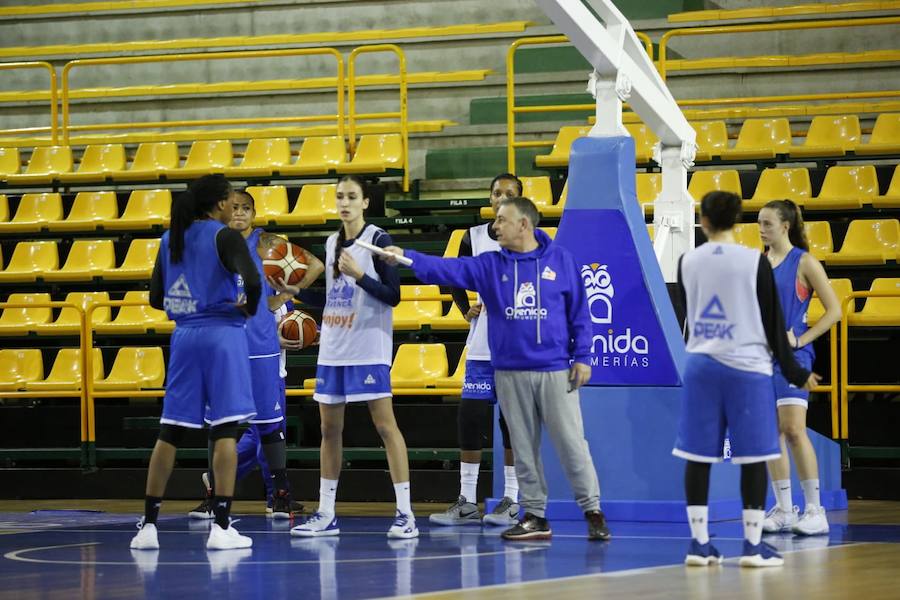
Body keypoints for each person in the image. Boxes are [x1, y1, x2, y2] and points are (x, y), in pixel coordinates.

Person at [382, 196, 610, 542]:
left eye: (502, 219)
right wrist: (405, 257)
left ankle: (593, 511)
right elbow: (447, 270)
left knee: (571, 444)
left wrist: (584, 357)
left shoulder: (561, 261)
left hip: (554, 371)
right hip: (509, 373)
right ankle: (535, 515)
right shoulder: (490, 265)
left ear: (524, 224)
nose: (495, 225)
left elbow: (580, 314)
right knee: (523, 448)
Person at [673, 191, 821, 568]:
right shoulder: (753, 261)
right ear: (738, 220)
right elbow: (774, 326)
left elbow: (690, 312)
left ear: (702, 221)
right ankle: (752, 546)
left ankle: (699, 543)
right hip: (747, 367)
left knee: (698, 455)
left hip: (702, 365)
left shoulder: (686, 260)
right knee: (754, 454)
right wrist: (796, 372)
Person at [130, 175, 261, 551]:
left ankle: (149, 526)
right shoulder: (225, 236)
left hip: (184, 337)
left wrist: (188, 302)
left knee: (170, 431)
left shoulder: (171, 237)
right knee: (224, 430)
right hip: (223, 336)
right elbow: (252, 280)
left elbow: (156, 297)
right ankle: (221, 526)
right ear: (220, 204)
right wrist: (248, 309)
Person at [289, 175, 418, 539]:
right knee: (329, 430)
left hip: (368, 346)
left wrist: (361, 275)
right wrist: (296, 292)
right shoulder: (331, 243)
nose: (344, 202)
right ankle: (326, 512)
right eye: (339, 196)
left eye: (351, 197)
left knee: (385, 426)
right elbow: (332, 297)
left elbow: (393, 295)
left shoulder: (379, 240)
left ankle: (406, 514)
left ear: (365, 202)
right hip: (333, 347)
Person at [189, 190, 323, 520]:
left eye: (246, 209)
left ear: (253, 214)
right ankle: (215, 497)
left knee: (268, 427)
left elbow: (315, 266)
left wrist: (278, 301)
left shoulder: (266, 244)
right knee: (220, 426)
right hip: (222, 345)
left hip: (262, 348)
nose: (239, 214)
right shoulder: (211, 245)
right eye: (233, 208)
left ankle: (279, 494)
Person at [430, 174, 522, 527]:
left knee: (511, 422)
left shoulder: (527, 238)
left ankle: (512, 499)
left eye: (509, 194)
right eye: (497, 193)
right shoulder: (474, 237)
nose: (501, 198)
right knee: (470, 417)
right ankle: (467, 499)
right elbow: (453, 276)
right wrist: (463, 308)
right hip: (482, 344)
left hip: (516, 349)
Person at [758, 200, 840, 536]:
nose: (761, 229)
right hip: (762, 358)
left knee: (793, 430)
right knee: (770, 434)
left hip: (794, 358)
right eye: (759, 223)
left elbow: (834, 311)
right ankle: (784, 509)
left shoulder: (804, 262)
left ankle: (815, 510)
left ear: (785, 226)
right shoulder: (759, 263)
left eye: (767, 224)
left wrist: (799, 340)